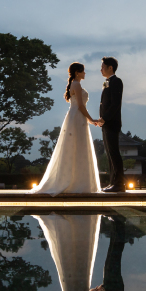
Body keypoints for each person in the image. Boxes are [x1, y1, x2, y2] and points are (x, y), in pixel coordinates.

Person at [30, 62, 101, 195]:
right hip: (77, 117)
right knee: (77, 147)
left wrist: (90, 120)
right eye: (83, 71)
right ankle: (76, 183)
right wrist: (92, 119)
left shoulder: (74, 84)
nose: (85, 73)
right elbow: (80, 105)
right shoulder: (76, 84)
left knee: (77, 148)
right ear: (77, 72)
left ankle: (77, 182)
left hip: (77, 117)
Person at [98, 57, 125, 192]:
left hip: (112, 122)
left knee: (114, 153)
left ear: (110, 68)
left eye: (103, 67)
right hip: (106, 123)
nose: (101, 69)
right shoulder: (107, 82)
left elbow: (115, 104)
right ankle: (112, 182)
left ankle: (120, 184)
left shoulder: (116, 81)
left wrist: (104, 118)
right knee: (109, 153)